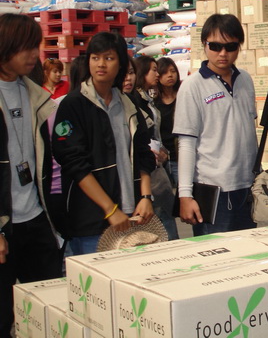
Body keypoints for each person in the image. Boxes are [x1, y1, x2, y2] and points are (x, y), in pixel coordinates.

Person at [52, 32, 155, 255]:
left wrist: (146, 196)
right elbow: (73, 162)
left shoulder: (128, 104)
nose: (101, 64)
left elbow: (143, 153)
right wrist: (110, 209)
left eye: (109, 58)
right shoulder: (74, 104)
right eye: (95, 58)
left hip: (132, 214)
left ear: (121, 64)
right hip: (92, 220)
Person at [0, 13, 62, 338]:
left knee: (49, 308)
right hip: (4, 225)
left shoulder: (35, 94)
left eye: (35, 47)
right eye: (25, 47)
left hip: (36, 218)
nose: (33, 56)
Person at [174, 14, 257, 234]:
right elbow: (186, 144)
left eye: (230, 47)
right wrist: (185, 195)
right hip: (213, 192)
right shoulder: (192, 86)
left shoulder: (245, 80)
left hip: (247, 187)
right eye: (215, 46)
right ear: (204, 44)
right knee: (217, 253)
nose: (222, 53)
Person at [131, 55, 177, 240]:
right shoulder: (135, 101)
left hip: (159, 166)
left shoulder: (148, 98)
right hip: (148, 170)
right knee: (160, 223)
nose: (157, 74)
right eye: (154, 70)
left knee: (165, 216)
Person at [155, 57, 181, 186]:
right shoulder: (154, 102)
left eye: (173, 71)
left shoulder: (183, 95)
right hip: (164, 157)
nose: (170, 75)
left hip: (181, 155)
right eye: (165, 72)